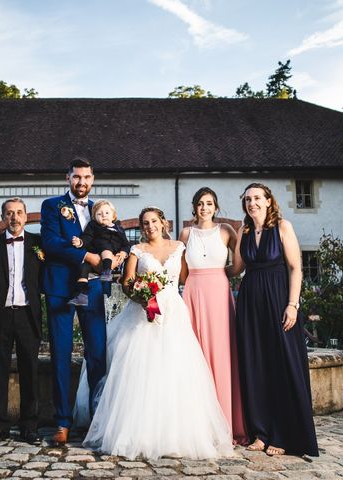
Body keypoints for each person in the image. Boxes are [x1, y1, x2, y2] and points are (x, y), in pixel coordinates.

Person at [80, 207, 234, 460]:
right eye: (145, 223)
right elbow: (127, 281)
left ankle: (175, 434)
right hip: (143, 314)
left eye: (154, 221)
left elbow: (183, 277)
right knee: (142, 371)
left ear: (163, 223)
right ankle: (138, 433)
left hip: (173, 313)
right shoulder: (136, 251)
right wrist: (140, 296)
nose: (150, 226)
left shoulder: (179, 248)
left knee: (175, 370)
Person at [229, 183, 318, 457]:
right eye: (247, 199)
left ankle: (283, 434)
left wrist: (293, 305)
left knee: (282, 365)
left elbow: (296, 268)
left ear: (269, 201)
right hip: (250, 303)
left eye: (257, 198)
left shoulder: (283, 226)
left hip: (279, 300)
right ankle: (260, 432)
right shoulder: (243, 231)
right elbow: (236, 269)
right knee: (254, 365)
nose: (252, 203)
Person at [40, 157, 121, 446]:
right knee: (61, 354)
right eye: (77, 177)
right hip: (61, 287)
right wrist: (87, 257)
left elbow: (117, 238)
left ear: (93, 179)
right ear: (68, 178)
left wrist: (120, 256)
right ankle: (62, 422)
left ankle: (98, 420)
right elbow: (50, 243)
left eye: (86, 177)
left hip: (96, 288)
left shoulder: (104, 210)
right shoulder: (51, 206)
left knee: (97, 353)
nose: (82, 182)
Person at [0, 198, 44, 446]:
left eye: (19, 213)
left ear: (26, 216)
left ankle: (29, 427)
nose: (14, 217)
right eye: (9, 213)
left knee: (30, 372)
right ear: (3, 218)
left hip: (27, 316)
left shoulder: (38, 244)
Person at [180, 187, 248, 445]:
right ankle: (198, 425)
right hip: (193, 294)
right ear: (194, 207)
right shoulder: (186, 233)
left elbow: (239, 265)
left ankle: (227, 425)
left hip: (219, 295)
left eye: (209, 203)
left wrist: (220, 276)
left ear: (216, 207)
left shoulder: (226, 231)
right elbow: (182, 273)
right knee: (195, 355)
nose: (204, 207)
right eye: (200, 203)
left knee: (222, 355)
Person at [68, 199, 131, 306]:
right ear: (94, 217)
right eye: (99, 214)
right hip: (96, 255)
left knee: (106, 248)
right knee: (83, 268)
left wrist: (124, 253)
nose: (103, 215)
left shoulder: (118, 229)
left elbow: (126, 244)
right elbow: (87, 237)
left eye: (107, 213)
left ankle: (107, 273)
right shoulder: (93, 226)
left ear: (113, 216)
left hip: (112, 256)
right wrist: (80, 242)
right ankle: (82, 295)